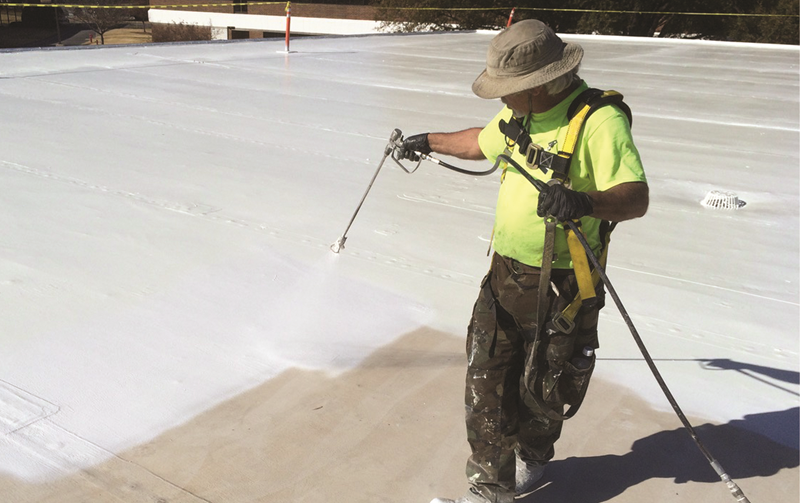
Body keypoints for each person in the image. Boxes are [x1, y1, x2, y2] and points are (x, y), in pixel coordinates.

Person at [398, 19, 649, 503]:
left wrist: (584, 202)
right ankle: (489, 489)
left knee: (544, 391)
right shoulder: (521, 112)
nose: (501, 98)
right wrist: (428, 140)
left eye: (507, 89)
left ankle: (532, 457)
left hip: (563, 287)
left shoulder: (600, 122)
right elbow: (481, 142)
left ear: (540, 84)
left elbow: (635, 197)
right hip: (504, 276)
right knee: (485, 380)